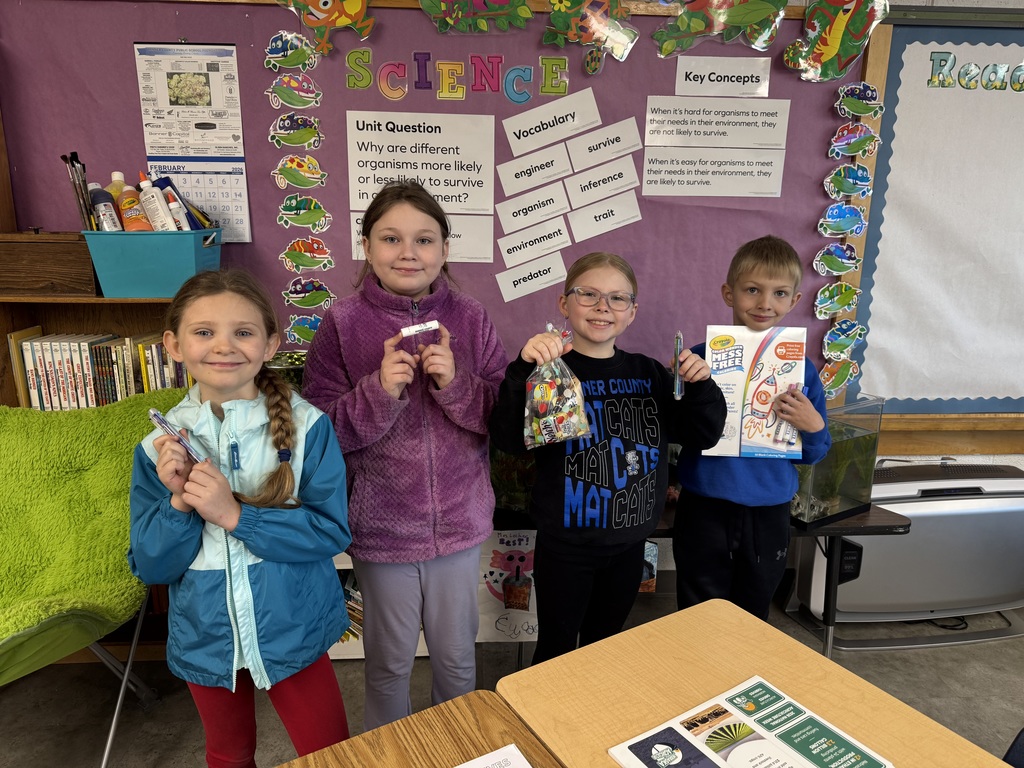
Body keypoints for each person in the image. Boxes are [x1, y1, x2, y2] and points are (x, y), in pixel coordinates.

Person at [301, 180, 508, 729]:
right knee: (388, 665)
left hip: (459, 528)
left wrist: (456, 383)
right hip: (383, 533)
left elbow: (501, 415)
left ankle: (457, 753)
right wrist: (379, 391)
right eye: (391, 238)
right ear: (366, 246)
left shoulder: (470, 316)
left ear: (444, 249)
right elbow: (321, 433)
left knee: (459, 661)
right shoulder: (342, 322)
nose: (408, 252)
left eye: (424, 239)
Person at [128, 269, 351, 768]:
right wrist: (180, 504)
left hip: (294, 625)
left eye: (243, 332)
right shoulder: (156, 448)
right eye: (204, 332)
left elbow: (331, 531)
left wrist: (236, 516)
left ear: (271, 343)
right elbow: (151, 566)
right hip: (205, 634)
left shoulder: (309, 427)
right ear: (174, 344)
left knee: (332, 754)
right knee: (227, 756)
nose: (223, 346)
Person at [489, 251, 727, 664]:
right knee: (557, 652)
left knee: (604, 649)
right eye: (588, 294)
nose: (603, 307)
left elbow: (702, 434)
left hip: (629, 545)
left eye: (618, 298)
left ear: (632, 312)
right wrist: (520, 371)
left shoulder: (649, 374)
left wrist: (702, 386)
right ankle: (544, 726)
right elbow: (509, 440)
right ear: (564, 303)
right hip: (566, 547)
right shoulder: (548, 371)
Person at [673, 235, 832, 620]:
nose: (764, 303)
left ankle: (743, 679)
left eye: (779, 293)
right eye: (752, 290)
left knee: (753, 610)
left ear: (795, 301)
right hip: (704, 507)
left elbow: (813, 452)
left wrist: (813, 427)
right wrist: (687, 388)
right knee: (697, 611)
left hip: (769, 510)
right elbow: (677, 432)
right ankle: (700, 681)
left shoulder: (804, 370)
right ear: (729, 293)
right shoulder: (697, 357)